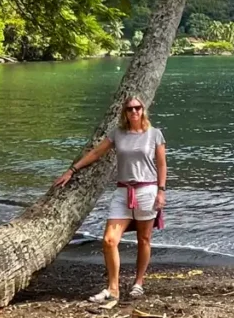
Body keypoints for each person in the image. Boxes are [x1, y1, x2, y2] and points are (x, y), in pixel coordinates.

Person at [54, 96, 167, 305]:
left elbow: (161, 165)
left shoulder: (155, 134)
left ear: (143, 110)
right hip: (123, 192)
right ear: (124, 112)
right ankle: (113, 288)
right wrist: (72, 170)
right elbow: (97, 152)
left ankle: (138, 282)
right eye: (130, 109)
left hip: (147, 191)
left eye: (137, 108)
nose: (134, 111)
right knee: (109, 240)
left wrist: (161, 191)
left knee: (144, 239)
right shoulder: (118, 134)